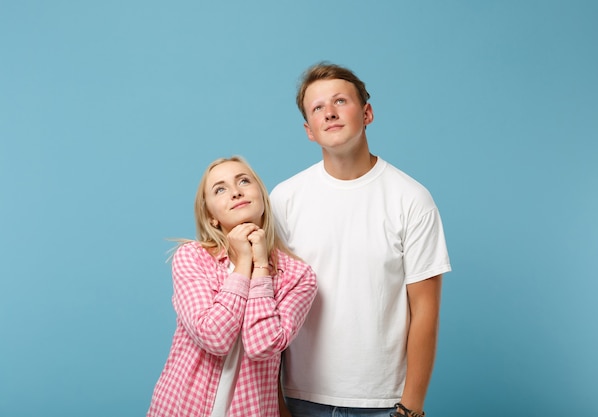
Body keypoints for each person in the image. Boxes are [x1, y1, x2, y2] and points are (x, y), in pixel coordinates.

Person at [270, 63, 451, 417]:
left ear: (367, 112)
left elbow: (425, 310)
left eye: (340, 101)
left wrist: (410, 408)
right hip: (300, 396)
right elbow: (268, 303)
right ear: (309, 129)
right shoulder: (284, 199)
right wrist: (275, 400)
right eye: (317, 107)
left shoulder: (411, 199)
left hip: (383, 403)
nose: (330, 113)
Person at [147, 156, 317, 417]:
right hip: (180, 407)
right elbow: (214, 336)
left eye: (244, 181)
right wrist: (243, 263)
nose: (236, 191)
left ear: (261, 197)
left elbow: (262, 345)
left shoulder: (297, 275)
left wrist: (261, 266)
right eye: (220, 189)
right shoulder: (192, 257)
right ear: (211, 216)